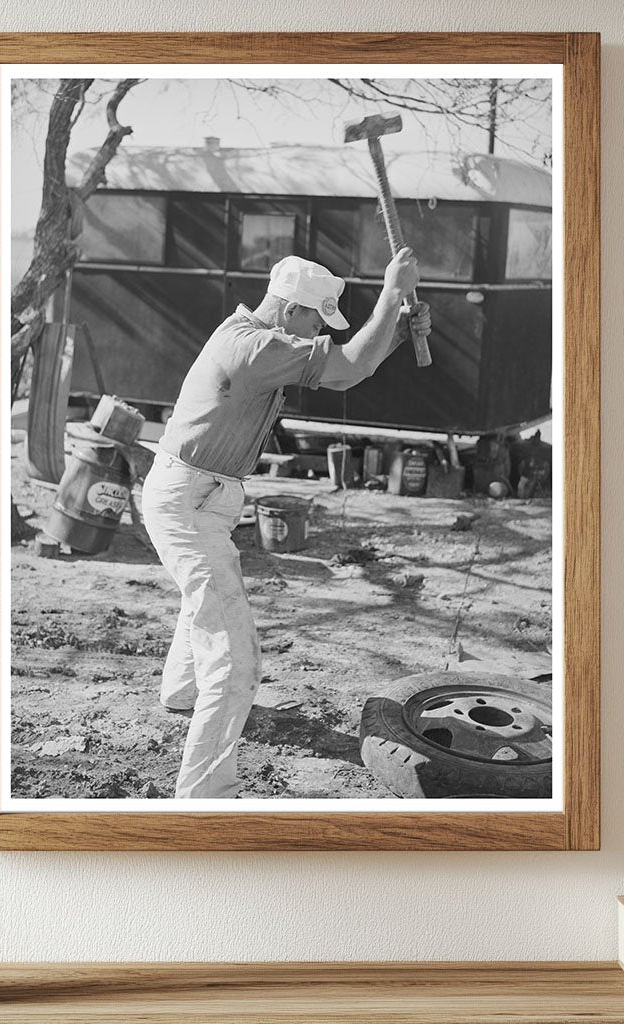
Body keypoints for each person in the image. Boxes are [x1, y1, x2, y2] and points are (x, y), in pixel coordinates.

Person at [141, 248, 430, 799]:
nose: (317, 330)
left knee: (203, 598)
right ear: (292, 310)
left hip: (204, 496)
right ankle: (204, 799)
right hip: (187, 499)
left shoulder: (260, 337)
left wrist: (395, 331)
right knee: (235, 662)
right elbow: (346, 369)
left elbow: (357, 361)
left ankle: (181, 693)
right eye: (316, 319)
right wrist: (392, 294)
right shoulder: (252, 347)